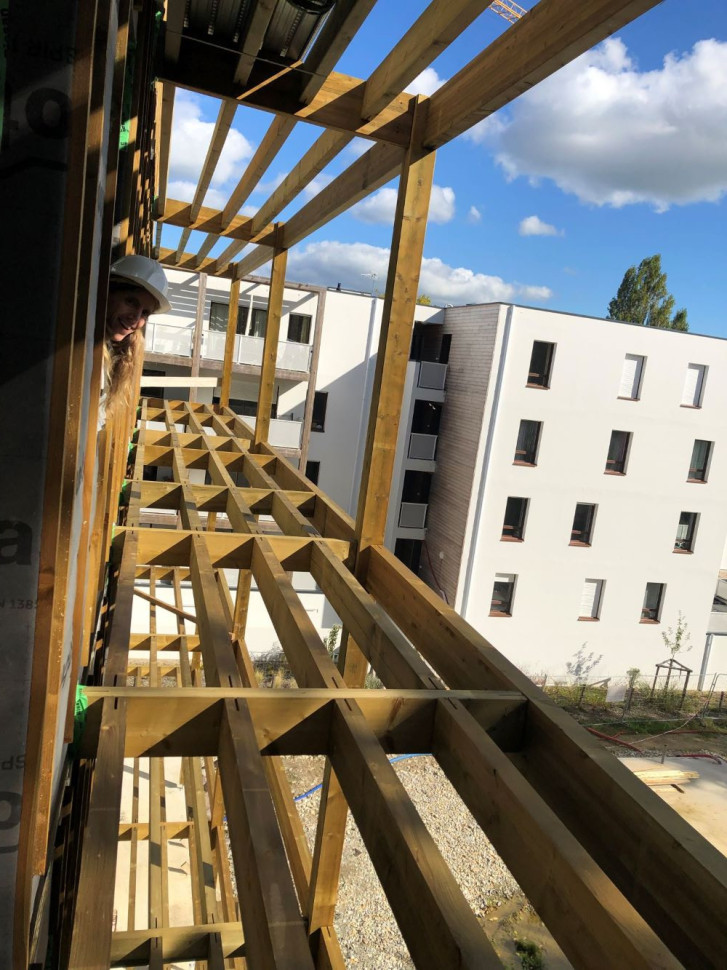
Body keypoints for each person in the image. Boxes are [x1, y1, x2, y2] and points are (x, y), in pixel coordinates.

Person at [101, 254, 170, 425]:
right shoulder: (84, 345)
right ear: (109, 292)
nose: (136, 318)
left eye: (145, 313)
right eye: (131, 301)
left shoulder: (113, 352)